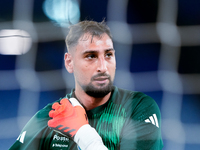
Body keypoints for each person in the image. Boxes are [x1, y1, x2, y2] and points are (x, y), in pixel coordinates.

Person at [10, 20, 163, 150]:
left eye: (108, 55)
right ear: (69, 63)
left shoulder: (138, 108)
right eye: (91, 56)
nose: (103, 67)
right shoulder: (48, 118)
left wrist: (81, 131)